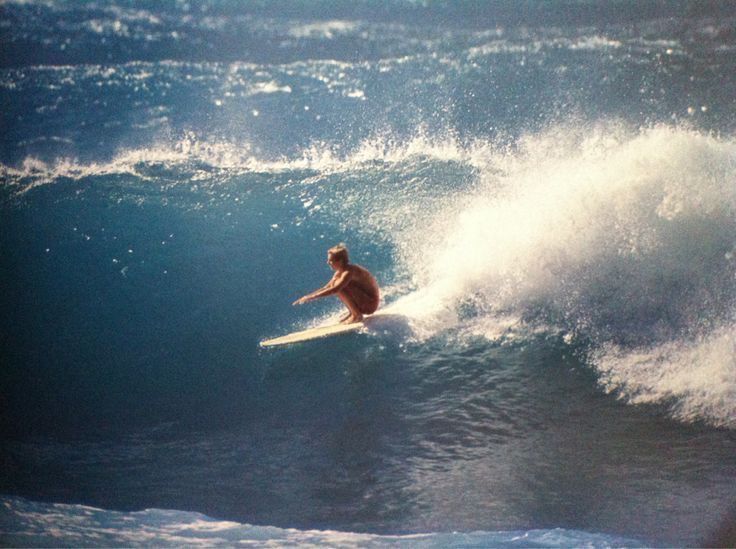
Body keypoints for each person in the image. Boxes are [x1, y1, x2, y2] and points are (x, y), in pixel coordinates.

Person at [293, 244, 380, 324]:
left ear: (340, 261)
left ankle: (357, 315)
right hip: (365, 301)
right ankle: (352, 312)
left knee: (338, 286)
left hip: (371, 304)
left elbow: (335, 289)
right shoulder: (340, 272)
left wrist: (312, 297)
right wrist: (307, 297)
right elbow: (326, 287)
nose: (328, 263)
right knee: (335, 284)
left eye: (330, 260)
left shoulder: (349, 272)